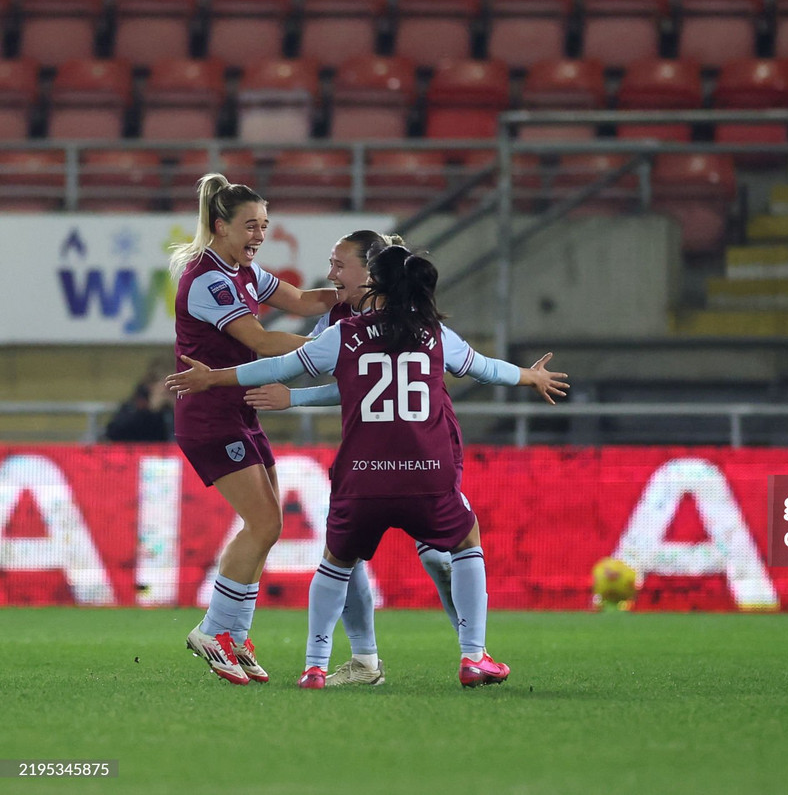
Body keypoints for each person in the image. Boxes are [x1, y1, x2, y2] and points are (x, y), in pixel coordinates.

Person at [167, 245, 569, 690]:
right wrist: (531, 376)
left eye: (342, 266)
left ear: (372, 281)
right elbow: (486, 369)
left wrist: (215, 377)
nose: (333, 274)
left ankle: (315, 667)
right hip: (428, 471)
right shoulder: (433, 333)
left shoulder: (345, 333)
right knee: (462, 546)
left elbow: (279, 366)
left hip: (364, 474)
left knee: (336, 563)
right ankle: (473, 656)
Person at [171, 173, 340, 685]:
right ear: (220, 226)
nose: (259, 235)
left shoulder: (242, 271)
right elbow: (263, 342)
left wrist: (355, 293)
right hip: (209, 414)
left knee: (268, 525)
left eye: (264, 225)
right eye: (250, 225)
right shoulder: (208, 279)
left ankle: (233, 634)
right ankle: (212, 630)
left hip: (238, 410)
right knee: (265, 523)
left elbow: (307, 302)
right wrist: (332, 350)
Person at [104, 357, 175, 442]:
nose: (169, 389)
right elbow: (114, 433)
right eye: (165, 384)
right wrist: (151, 411)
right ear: (151, 385)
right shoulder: (134, 406)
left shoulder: (181, 404)